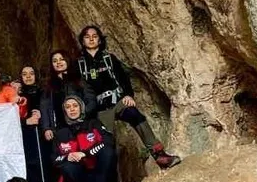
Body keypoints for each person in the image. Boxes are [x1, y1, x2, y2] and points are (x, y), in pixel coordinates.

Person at [77, 25, 181, 169]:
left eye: (95, 36)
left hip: (117, 100)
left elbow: (123, 78)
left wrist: (128, 95)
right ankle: (110, 178)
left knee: (135, 115)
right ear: (82, 41)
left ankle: (160, 156)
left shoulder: (109, 58)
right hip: (100, 108)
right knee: (106, 142)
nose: (91, 39)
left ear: (100, 40)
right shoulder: (79, 65)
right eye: (87, 37)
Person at [50, 94, 117, 182]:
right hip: (78, 177)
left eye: (75, 106)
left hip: (98, 171)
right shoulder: (61, 133)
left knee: (107, 151)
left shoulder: (93, 124)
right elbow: (54, 158)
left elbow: (108, 141)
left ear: (81, 107)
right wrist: (67, 156)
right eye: (68, 107)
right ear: (64, 111)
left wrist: (85, 153)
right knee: (67, 166)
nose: (72, 109)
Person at [17, 66, 55, 182]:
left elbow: (52, 110)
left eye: (31, 73)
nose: (28, 76)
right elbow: (10, 118)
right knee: (31, 169)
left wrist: (42, 114)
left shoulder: (44, 92)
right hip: (26, 136)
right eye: (24, 74)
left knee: (47, 167)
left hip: (43, 135)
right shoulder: (17, 96)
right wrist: (25, 121)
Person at [41, 50, 94, 138]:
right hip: (60, 128)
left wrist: (82, 114)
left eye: (62, 59)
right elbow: (45, 107)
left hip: (82, 125)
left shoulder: (78, 80)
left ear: (67, 61)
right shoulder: (49, 85)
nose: (58, 62)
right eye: (55, 61)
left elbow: (91, 100)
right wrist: (46, 128)